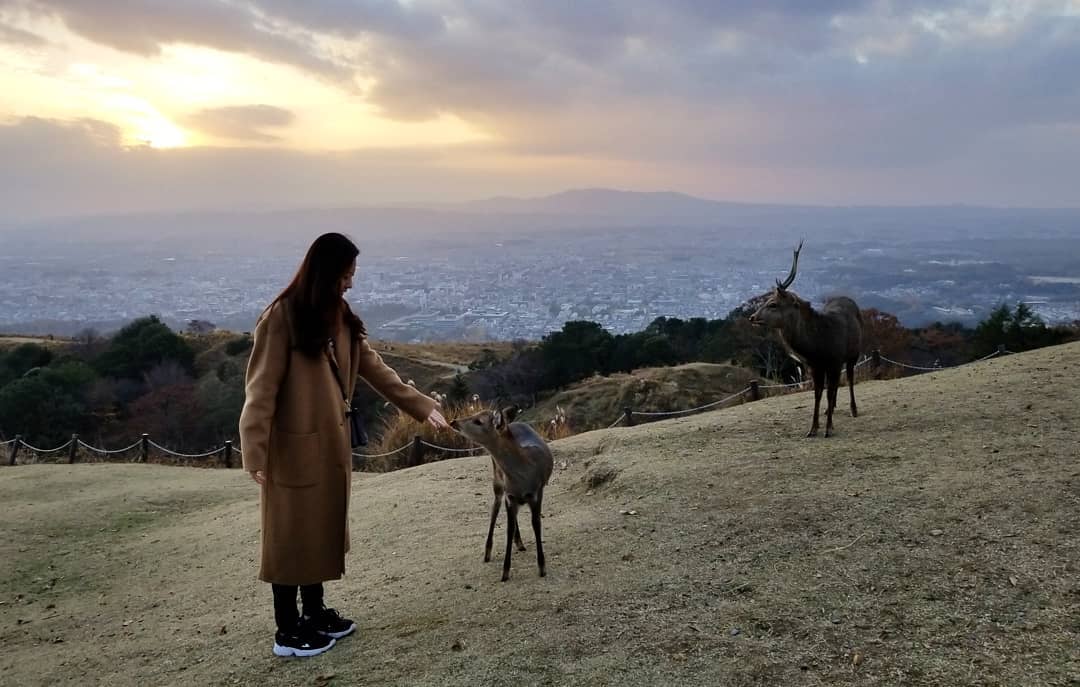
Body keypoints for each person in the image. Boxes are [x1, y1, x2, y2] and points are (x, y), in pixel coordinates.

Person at [239, 232, 450, 657]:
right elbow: (260, 391)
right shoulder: (280, 319)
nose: (351, 283)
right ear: (326, 272)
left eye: (352, 275)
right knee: (288, 538)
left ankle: (315, 613)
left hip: (329, 448)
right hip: (292, 448)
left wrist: (421, 406)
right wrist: (254, 450)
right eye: (346, 274)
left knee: (318, 531)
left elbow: (374, 367)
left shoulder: (338, 314)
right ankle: (288, 630)